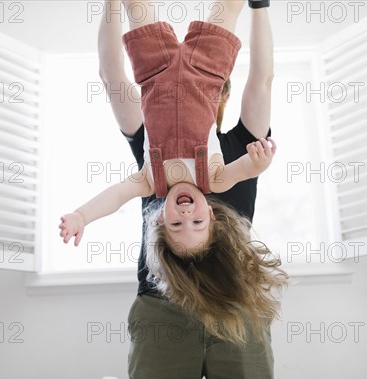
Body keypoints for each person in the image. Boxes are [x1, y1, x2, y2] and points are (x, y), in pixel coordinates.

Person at [61, 0, 287, 379]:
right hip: (162, 299)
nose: (185, 213)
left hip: (233, 298)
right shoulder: (207, 161)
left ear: (220, 91)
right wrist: (260, 6)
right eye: (194, 222)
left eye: (213, 88)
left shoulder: (158, 167)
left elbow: (263, 80)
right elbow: (111, 74)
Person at [58, 0, 277, 258]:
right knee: (229, 6)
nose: (186, 216)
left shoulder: (149, 180)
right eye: (197, 223)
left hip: (154, 70)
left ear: (161, 218)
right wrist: (259, 163)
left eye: (177, 224)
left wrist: (82, 216)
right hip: (207, 71)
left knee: (135, 4)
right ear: (210, 214)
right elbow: (245, 170)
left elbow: (117, 196)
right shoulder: (216, 178)